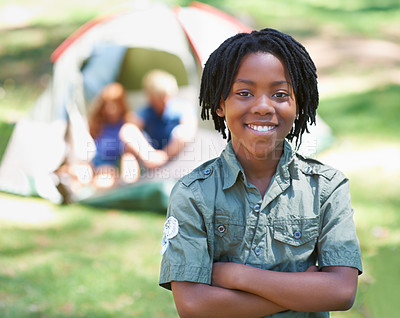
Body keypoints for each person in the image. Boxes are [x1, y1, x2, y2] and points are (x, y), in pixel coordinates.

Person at [159, 28, 362, 317]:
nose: (264, 107)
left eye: (280, 94)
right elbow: (192, 305)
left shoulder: (327, 189)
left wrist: (236, 276)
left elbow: (341, 292)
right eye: (244, 93)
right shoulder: (192, 193)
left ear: (298, 102)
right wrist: (307, 291)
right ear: (220, 103)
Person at [119, 69, 197, 169]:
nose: (163, 101)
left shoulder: (182, 107)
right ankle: (130, 181)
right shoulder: (147, 111)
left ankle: (159, 159)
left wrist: (165, 155)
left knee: (182, 132)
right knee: (128, 132)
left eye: (165, 96)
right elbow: (130, 128)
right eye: (158, 97)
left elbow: (189, 129)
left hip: (173, 153)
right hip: (151, 153)